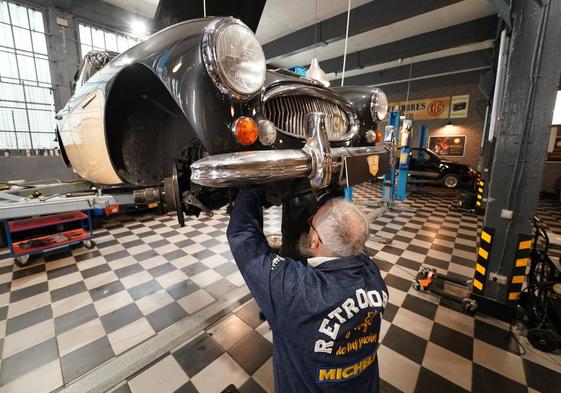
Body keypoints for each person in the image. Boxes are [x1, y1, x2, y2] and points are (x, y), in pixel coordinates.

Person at [227, 189, 388, 393]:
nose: (309, 225)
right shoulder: (372, 273)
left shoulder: (297, 290)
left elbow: (242, 236)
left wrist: (250, 188)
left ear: (315, 241)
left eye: (311, 223)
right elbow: (349, 232)